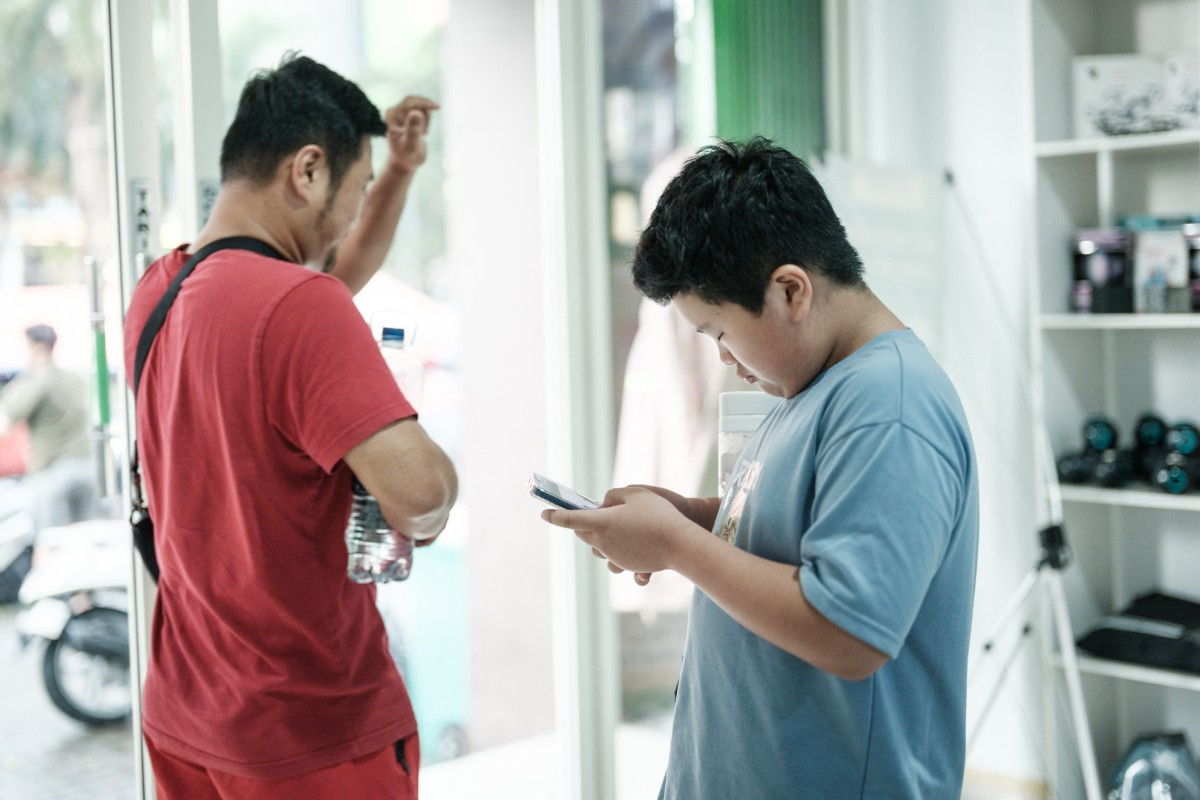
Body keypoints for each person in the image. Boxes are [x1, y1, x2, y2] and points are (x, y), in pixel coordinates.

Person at [541, 137, 980, 799]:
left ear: (790, 291)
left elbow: (847, 632)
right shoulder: (808, 384)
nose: (722, 357)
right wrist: (683, 518)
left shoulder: (891, 404)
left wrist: (674, 543)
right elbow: (797, 529)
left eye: (718, 332)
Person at [122, 53, 457, 799]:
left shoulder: (158, 291)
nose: (349, 217)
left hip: (189, 717)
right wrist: (417, 456)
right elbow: (421, 500)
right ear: (307, 172)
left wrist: (396, 172)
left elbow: (331, 272)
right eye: (356, 188)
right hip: (311, 734)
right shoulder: (302, 307)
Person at [0, 324, 96, 533]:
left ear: (38, 347)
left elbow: (5, 425)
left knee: (48, 543)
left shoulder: (35, 382)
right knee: (85, 541)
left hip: (53, 472)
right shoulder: (75, 380)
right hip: (86, 467)